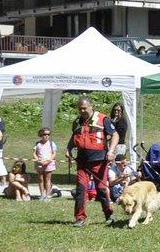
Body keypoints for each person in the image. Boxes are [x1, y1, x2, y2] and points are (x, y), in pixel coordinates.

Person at [67, 96, 118, 227]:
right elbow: (74, 136)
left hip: (99, 161)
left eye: (84, 108)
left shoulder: (103, 119)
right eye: (80, 109)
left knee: (101, 189)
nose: (82, 111)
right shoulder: (77, 121)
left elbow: (115, 135)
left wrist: (111, 151)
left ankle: (109, 214)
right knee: (81, 189)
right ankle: (80, 218)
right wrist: (69, 148)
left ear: (91, 106)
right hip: (82, 161)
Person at [33, 127, 57, 202]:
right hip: (39, 163)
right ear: (41, 135)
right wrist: (38, 160)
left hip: (49, 163)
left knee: (47, 179)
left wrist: (48, 161)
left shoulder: (51, 143)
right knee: (40, 179)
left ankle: (47, 195)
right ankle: (42, 195)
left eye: (48, 134)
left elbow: (54, 153)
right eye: (44, 134)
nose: (46, 136)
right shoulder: (37, 143)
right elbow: (34, 153)